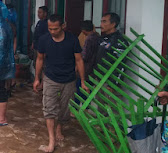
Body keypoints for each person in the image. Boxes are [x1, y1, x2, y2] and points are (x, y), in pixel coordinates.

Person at [33, 14, 89, 153]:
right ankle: (51, 140)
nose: (52, 31)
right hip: (50, 78)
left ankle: (59, 127)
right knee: (49, 108)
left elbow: (79, 60)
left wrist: (82, 81)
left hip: (69, 79)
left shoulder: (72, 40)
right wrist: (37, 78)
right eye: (50, 29)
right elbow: (40, 59)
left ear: (63, 26)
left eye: (55, 29)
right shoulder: (44, 40)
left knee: (64, 109)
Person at [95, 12, 128, 85]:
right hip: (99, 79)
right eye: (101, 22)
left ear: (113, 24)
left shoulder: (119, 41)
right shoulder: (102, 39)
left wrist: (115, 83)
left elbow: (121, 64)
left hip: (110, 83)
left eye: (104, 22)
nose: (101, 25)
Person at [75, 20, 99, 105]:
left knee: (79, 89)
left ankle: (76, 108)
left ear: (83, 30)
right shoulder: (97, 37)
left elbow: (84, 56)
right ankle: (86, 108)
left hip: (86, 69)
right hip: (93, 70)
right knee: (88, 90)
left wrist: (77, 64)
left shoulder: (89, 39)